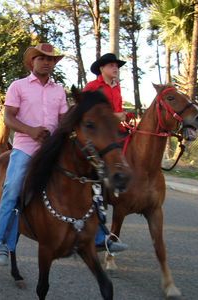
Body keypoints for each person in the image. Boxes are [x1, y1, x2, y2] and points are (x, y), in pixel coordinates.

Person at [0, 43, 67, 266]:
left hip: (52, 149)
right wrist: (31, 131)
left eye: (51, 60)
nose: (47, 62)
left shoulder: (59, 90)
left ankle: (100, 235)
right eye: (42, 58)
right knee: (12, 188)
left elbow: (63, 121)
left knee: (85, 178)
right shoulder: (18, 86)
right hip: (25, 147)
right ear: (31, 61)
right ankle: (1, 243)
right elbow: (9, 118)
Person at [83, 53, 129, 253]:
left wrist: (125, 119)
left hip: (116, 133)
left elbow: (119, 113)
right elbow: (84, 112)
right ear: (102, 69)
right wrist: (113, 116)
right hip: (99, 137)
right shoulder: (92, 87)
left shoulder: (117, 87)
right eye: (111, 65)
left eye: (116, 66)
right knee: (96, 179)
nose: (115, 68)